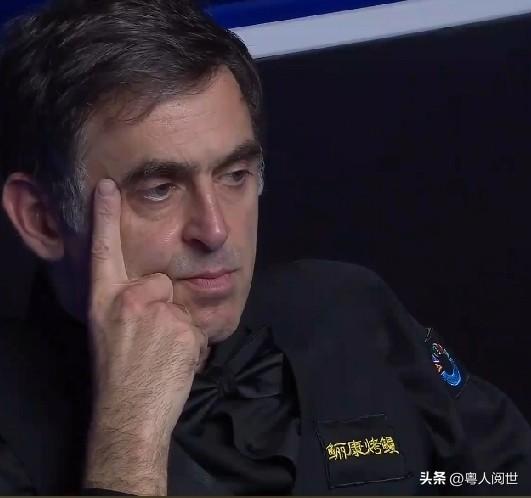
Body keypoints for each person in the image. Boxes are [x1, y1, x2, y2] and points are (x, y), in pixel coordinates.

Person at [0, 0, 530, 495]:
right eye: (159, 189)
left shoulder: (347, 307)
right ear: (41, 219)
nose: (215, 231)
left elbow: (506, 476)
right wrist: (129, 437)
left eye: (234, 175)